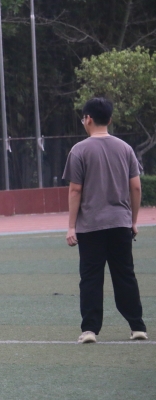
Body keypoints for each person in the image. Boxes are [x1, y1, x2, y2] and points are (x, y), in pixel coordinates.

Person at [62, 97, 147, 344]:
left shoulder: (79, 150)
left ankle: (90, 329)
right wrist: (133, 220)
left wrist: (71, 226)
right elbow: (136, 187)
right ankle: (137, 326)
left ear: (88, 119)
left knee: (91, 277)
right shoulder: (125, 149)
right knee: (125, 274)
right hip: (120, 223)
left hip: (91, 225)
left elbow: (75, 190)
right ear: (109, 120)